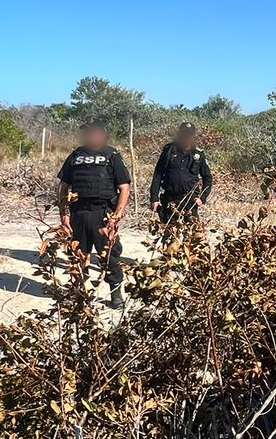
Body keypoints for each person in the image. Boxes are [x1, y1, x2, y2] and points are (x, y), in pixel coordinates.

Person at [57, 121, 132, 308]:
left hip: (103, 214)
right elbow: (63, 186)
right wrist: (63, 212)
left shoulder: (112, 156)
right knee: (77, 255)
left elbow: (124, 188)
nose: (90, 136)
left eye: (94, 133)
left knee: (109, 256)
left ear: (103, 135)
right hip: (78, 214)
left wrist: (117, 215)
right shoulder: (76, 155)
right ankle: (78, 293)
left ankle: (116, 295)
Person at [149, 122, 214, 224]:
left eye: (189, 135)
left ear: (193, 137)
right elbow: (158, 175)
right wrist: (154, 198)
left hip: (190, 201)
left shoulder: (198, 155)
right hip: (170, 199)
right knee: (170, 231)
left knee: (192, 231)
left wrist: (202, 198)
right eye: (184, 135)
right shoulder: (169, 151)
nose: (186, 138)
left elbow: (208, 178)